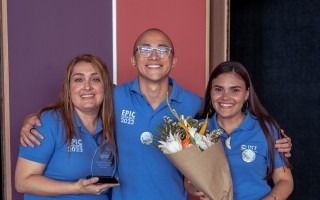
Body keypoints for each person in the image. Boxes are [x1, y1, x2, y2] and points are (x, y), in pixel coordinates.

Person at [18, 29, 292, 200]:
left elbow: (228, 119)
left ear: (173, 60)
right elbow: (81, 100)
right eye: (144, 50)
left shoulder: (195, 106)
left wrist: (274, 134)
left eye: (162, 50)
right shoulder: (112, 98)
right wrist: (36, 116)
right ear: (133, 59)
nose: (153, 56)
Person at [15, 54, 119, 199]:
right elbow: (23, 182)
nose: (87, 86)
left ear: (106, 87)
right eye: (79, 79)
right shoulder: (48, 123)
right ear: (68, 89)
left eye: (95, 79)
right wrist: (75, 188)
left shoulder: (113, 125)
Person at [193, 61, 293, 200]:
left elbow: (285, 181)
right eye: (218, 89)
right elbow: (188, 181)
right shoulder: (196, 130)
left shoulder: (266, 129)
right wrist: (197, 189)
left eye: (235, 90)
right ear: (210, 92)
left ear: (246, 94)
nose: (225, 97)